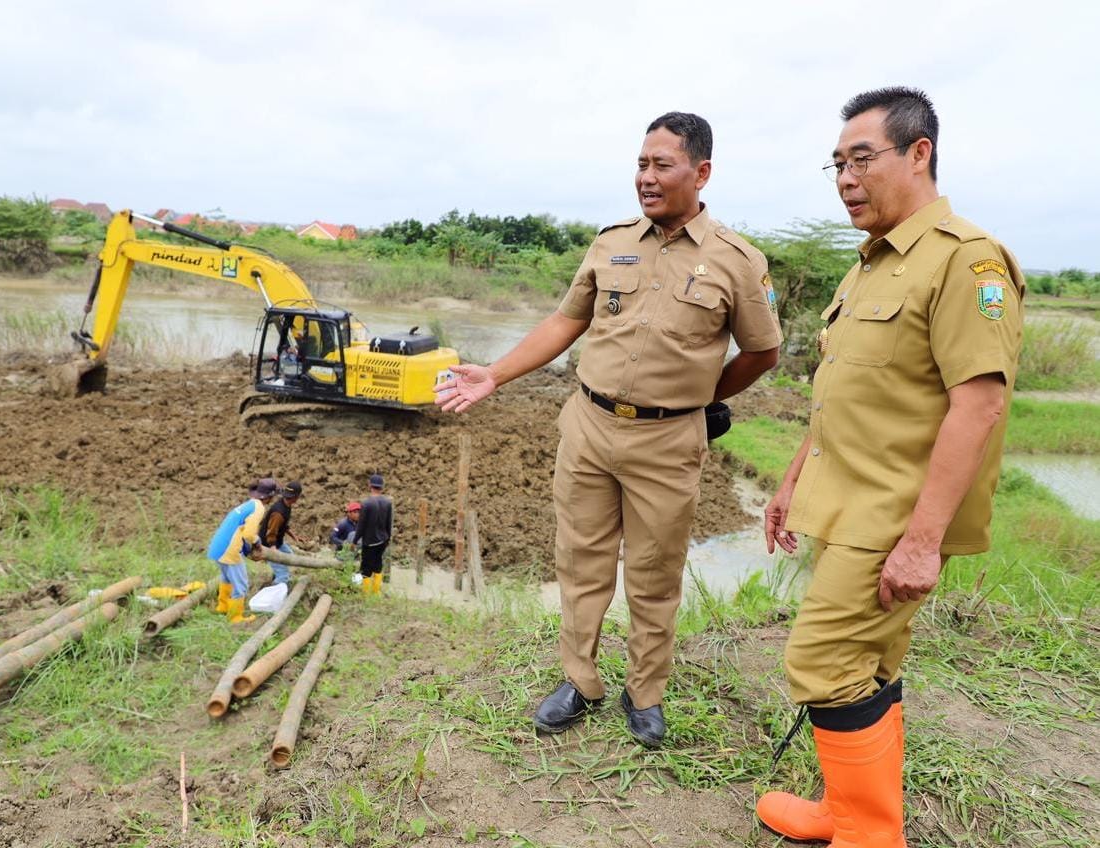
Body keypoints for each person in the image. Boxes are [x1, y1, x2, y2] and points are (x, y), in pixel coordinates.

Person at [434, 112, 782, 746]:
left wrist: (700, 400)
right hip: (589, 427)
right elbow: (565, 322)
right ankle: (580, 680)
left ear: (701, 172)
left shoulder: (736, 260)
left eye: (662, 165)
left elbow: (763, 352)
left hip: (669, 441)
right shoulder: (611, 241)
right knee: (581, 560)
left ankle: (644, 693)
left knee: (654, 574)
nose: (646, 178)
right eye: (641, 164)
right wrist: (496, 375)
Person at [758, 87, 1025, 846]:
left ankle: (869, 835)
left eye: (861, 158)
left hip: (894, 515)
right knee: (870, 661)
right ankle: (850, 813)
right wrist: (790, 482)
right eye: (835, 163)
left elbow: (977, 405)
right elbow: (841, 392)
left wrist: (921, 541)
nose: (844, 177)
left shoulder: (964, 261)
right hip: (844, 501)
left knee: (819, 661)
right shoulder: (869, 266)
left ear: (919, 153)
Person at [206, 478, 278, 624]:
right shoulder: (259, 508)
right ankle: (235, 617)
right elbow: (249, 534)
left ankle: (223, 606)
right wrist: (257, 542)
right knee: (241, 585)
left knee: (226, 578)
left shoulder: (248, 504)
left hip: (218, 547)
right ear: (269, 497)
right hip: (229, 550)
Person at [258, 480, 307, 586]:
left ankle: (275, 575)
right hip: (268, 544)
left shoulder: (286, 504)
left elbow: (283, 525)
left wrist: (294, 536)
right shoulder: (278, 513)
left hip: (278, 542)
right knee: (283, 576)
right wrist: (273, 550)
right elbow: (271, 532)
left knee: (290, 557)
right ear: (296, 497)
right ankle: (273, 589)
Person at [353, 474, 393, 595]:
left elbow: (361, 525)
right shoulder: (387, 503)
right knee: (378, 565)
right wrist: (388, 538)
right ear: (382, 487)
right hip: (382, 540)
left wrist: (355, 540)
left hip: (369, 541)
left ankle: (365, 594)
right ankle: (375, 593)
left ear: (370, 485)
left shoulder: (366, 503)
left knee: (365, 567)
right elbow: (389, 523)